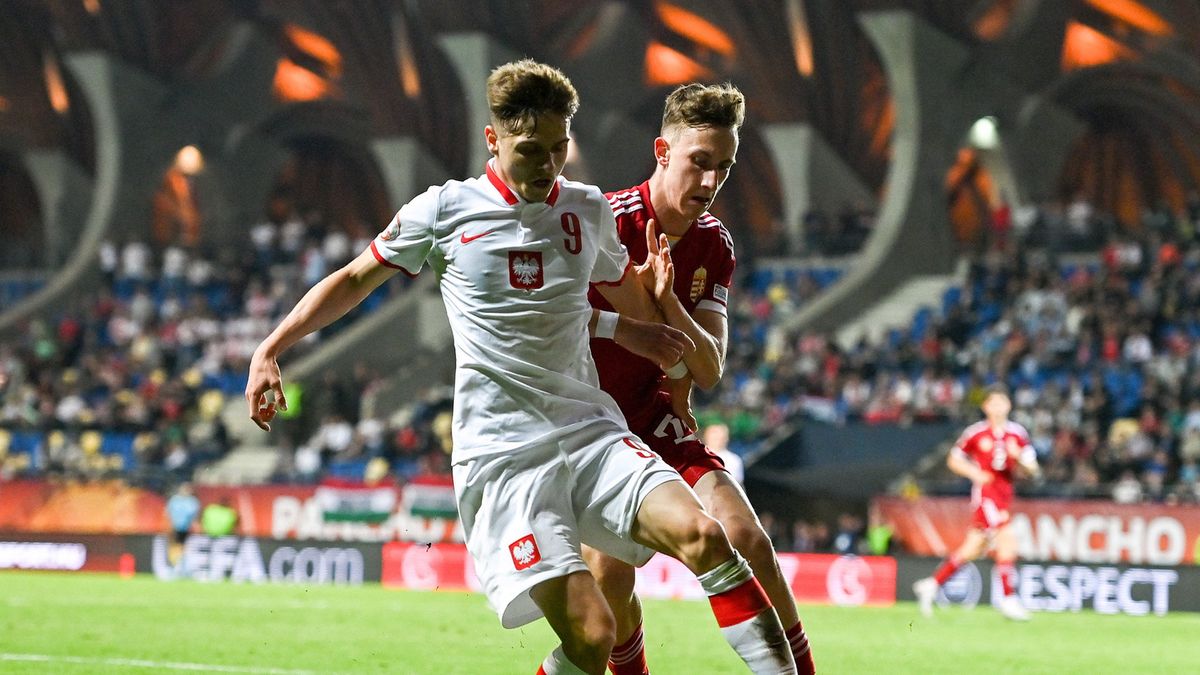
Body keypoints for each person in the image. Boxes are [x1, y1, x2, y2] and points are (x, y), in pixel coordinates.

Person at [246, 60, 794, 674]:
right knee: (593, 634)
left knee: (709, 537)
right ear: (493, 140)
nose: (548, 166)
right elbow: (353, 279)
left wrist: (649, 325)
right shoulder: (444, 211)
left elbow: (627, 316)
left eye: (560, 149)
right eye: (532, 150)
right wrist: (272, 347)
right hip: (504, 456)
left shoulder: (588, 212)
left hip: (592, 431)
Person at [585, 83, 814, 675]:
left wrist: (668, 303)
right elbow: (552, 322)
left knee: (747, 535)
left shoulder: (715, 242)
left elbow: (709, 369)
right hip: (587, 422)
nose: (711, 182)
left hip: (653, 412)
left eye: (725, 167)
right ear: (663, 151)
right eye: (700, 163)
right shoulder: (601, 223)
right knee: (610, 580)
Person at [913, 386, 1040, 621]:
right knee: (1006, 538)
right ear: (985, 407)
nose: (998, 407)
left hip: (1005, 496)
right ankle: (1008, 598)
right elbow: (953, 459)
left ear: (1009, 405)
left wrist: (1019, 457)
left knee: (972, 548)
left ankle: (931, 585)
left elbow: (1033, 469)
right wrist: (975, 473)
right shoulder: (976, 433)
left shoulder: (1017, 434)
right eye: (993, 402)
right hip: (986, 495)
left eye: (1002, 401)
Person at [164, 483, 200, 573]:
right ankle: (175, 566)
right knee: (174, 547)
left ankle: (182, 567)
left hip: (187, 528)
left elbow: (195, 516)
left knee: (183, 548)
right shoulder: (175, 500)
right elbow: (168, 513)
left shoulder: (192, 501)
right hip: (175, 527)